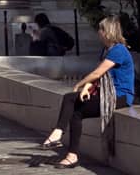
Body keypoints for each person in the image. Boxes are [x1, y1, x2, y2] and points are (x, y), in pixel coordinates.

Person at [41, 15, 134, 167]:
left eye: (100, 29)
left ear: (107, 32)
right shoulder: (108, 50)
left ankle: (58, 132)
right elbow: (100, 77)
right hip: (109, 95)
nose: (98, 32)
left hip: (120, 97)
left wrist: (79, 84)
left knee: (70, 98)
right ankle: (72, 155)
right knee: (75, 111)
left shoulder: (119, 50)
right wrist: (86, 88)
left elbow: (97, 73)